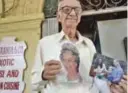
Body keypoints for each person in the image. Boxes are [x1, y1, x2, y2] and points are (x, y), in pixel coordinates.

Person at [31, 0, 127, 93]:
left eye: (77, 10)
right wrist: (42, 75)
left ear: (80, 16)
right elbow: (33, 84)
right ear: (58, 16)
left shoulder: (89, 43)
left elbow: (97, 78)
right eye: (66, 9)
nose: (73, 13)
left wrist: (111, 88)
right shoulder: (44, 43)